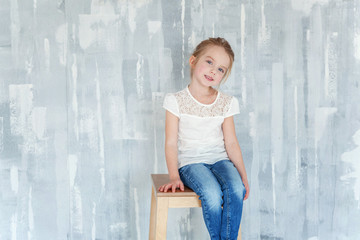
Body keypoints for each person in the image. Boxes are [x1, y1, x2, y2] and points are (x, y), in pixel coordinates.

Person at [158, 37, 250, 240]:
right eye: (209, 62)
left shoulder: (226, 102)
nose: (213, 71)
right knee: (212, 193)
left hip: (220, 160)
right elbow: (171, 143)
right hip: (191, 163)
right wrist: (174, 176)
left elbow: (232, 143)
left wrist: (243, 175)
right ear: (193, 61)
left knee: (235, 188)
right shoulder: (175, 101)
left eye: (221, 69)